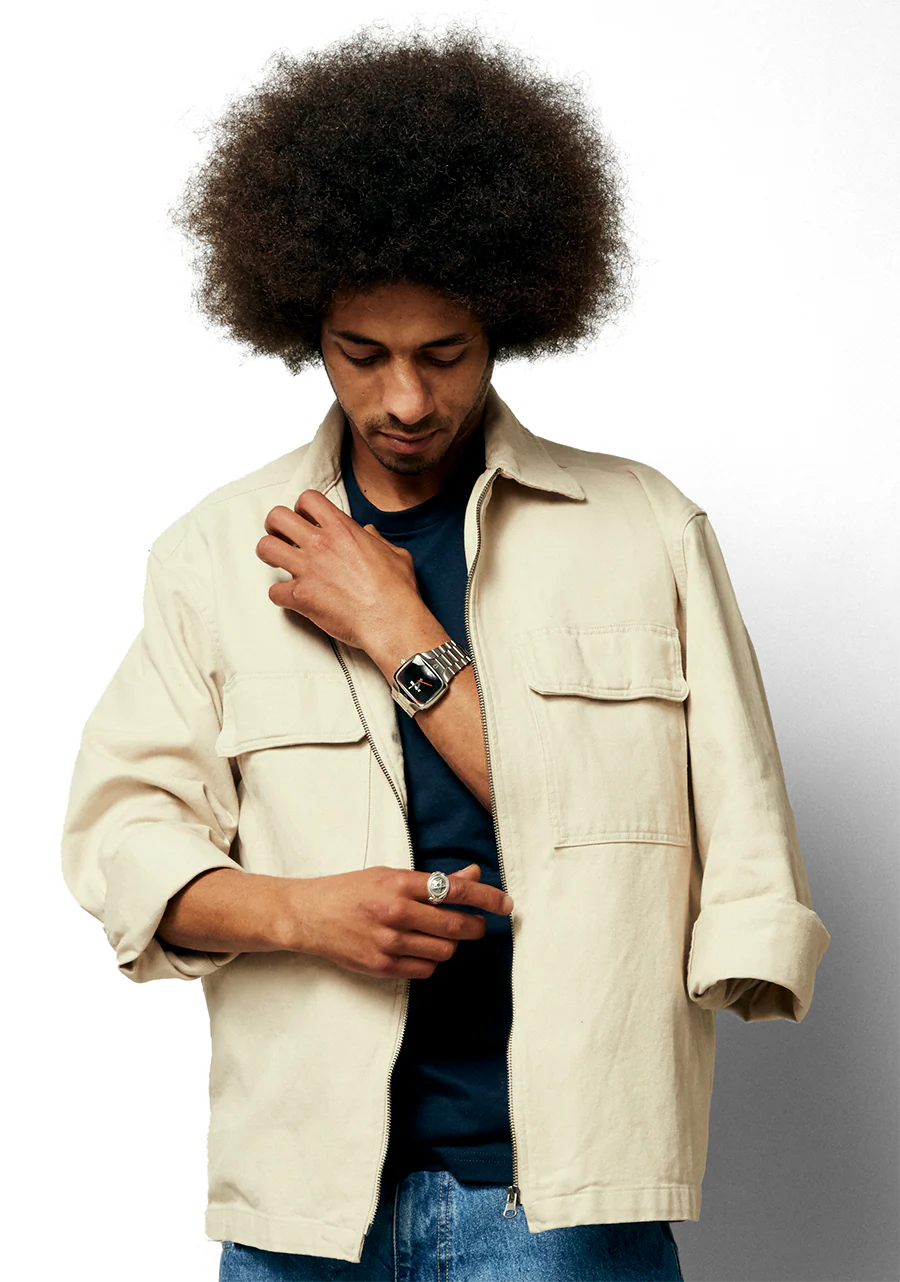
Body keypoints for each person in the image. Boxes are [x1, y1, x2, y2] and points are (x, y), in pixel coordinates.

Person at [61, 20, 831, 1281]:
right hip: (306, 1207)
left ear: (509, 322)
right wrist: (305, 912)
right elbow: (118, 844)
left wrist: (401, 631)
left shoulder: (643, 531)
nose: (406, 400)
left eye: (445, 355)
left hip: (562, 1200)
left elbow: (656, 842)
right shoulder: (213, 553)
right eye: (363, 356)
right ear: (303, 327)